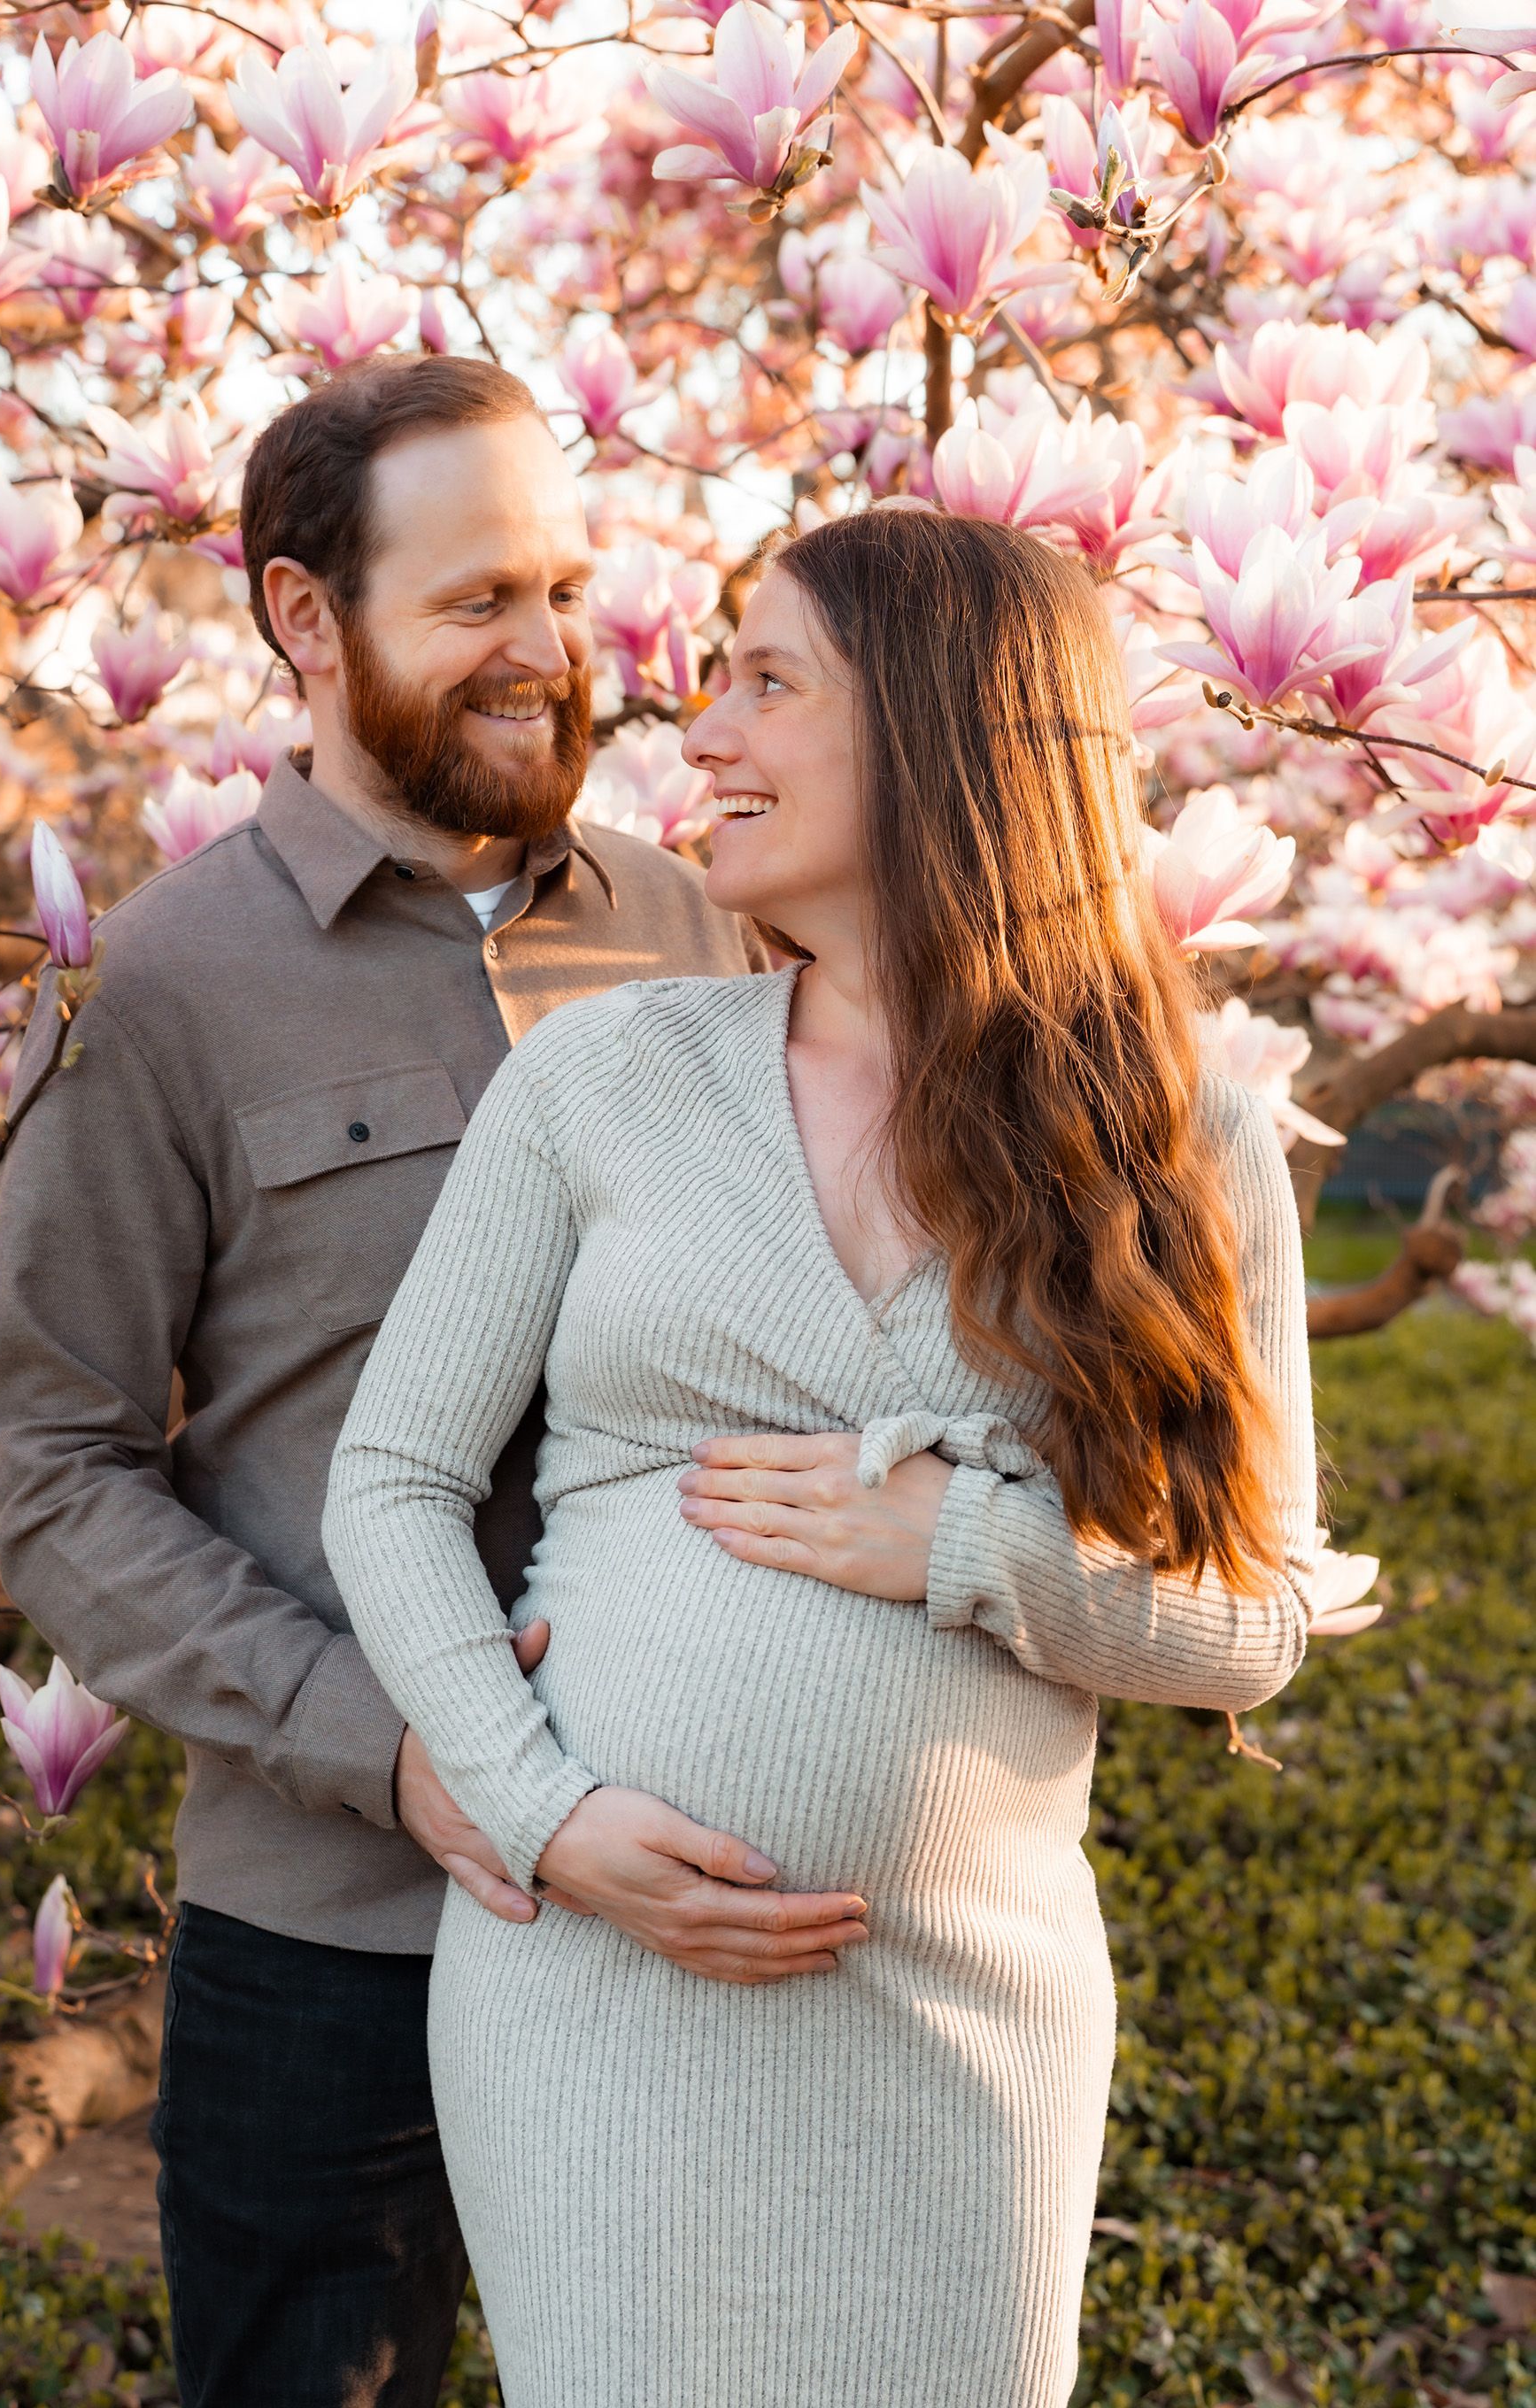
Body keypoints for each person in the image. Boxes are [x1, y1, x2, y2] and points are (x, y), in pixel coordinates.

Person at [321, 506, 1321, 2407]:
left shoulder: (1185, 1133)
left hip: (959, 2023)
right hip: (592, 1992)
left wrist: (967, 1546)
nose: (698, 734)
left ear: (951, 731)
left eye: (767, 681)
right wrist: (538, 1811)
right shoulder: (603, 1077)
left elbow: (1254, 1619)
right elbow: (390, 1478)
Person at [0, 354, 859, 2408]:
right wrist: (395, 1746)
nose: (550, 653)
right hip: (340, 1935)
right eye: (474, 604)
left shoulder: (706, 924)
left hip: (699, 1899)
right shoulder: (161, 986)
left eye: (560, 587)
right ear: (301, 614)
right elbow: (50, 1455)